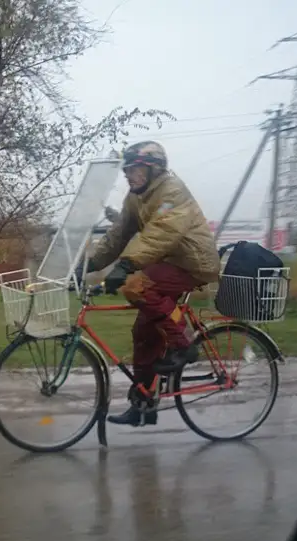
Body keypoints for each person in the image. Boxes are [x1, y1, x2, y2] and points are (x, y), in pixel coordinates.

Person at [83, 141, 220, 426]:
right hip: (168, 262)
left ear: (153, 168)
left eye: (134, 169)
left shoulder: (172, 191)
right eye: (126, 170)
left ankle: (183, 344)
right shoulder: (136, 198)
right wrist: (88, 265)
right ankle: (143, 405)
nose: (128, 175)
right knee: (143, 333)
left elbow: (161, 232)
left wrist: (125, 265)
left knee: (136, 286)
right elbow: (117, 235)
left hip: (193, 262)